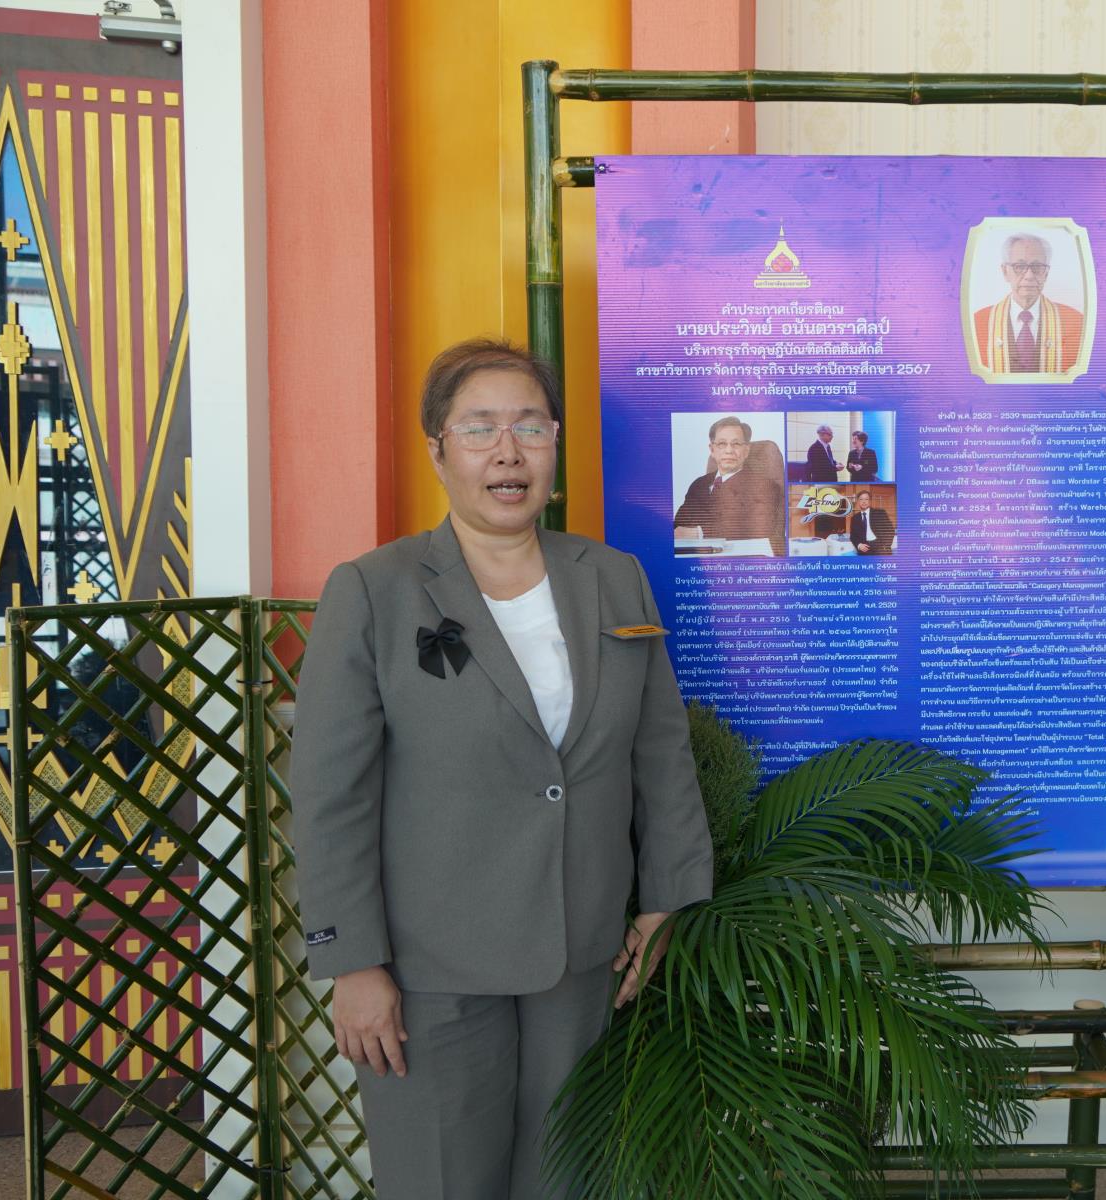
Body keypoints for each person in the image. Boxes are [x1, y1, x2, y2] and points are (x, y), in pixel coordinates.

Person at [292, 339, 714, 1200]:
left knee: (566, 1180)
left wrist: (666, 899)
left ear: (555, 444)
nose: (508, 452)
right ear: (438, 450)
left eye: (530, 426)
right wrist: (353, 964)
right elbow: (331, 794)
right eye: (480, 428)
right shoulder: (374, 590)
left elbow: (659, 750)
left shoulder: (614, 578)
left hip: (583, 954)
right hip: (426, 970)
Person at [971, 231, 1086, 374]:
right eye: (1019, 266)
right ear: (1005, 272)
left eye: (1037, 267)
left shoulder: (1076, 322)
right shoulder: (978, 323)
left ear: (1046, 273)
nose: (1029, 276)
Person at [674, 415, 786, 552]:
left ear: (746, 450)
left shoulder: (765, 486)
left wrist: (699, 532)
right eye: (722, 444)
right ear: (712, 450)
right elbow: (679, 526)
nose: (729, 450)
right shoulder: (698, 484)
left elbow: (757, 528)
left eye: (736, 444)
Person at [848, 489, 895, 555]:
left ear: (870, 501)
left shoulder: (880, 513)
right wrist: (859, 545)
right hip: (864, 549)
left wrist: (885, 546)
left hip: (881, 548)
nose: (864, 501)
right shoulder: (855, 518)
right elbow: (853, 536)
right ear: (858, 501)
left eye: (866, 499)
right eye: (861, 499)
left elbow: (890, 530)